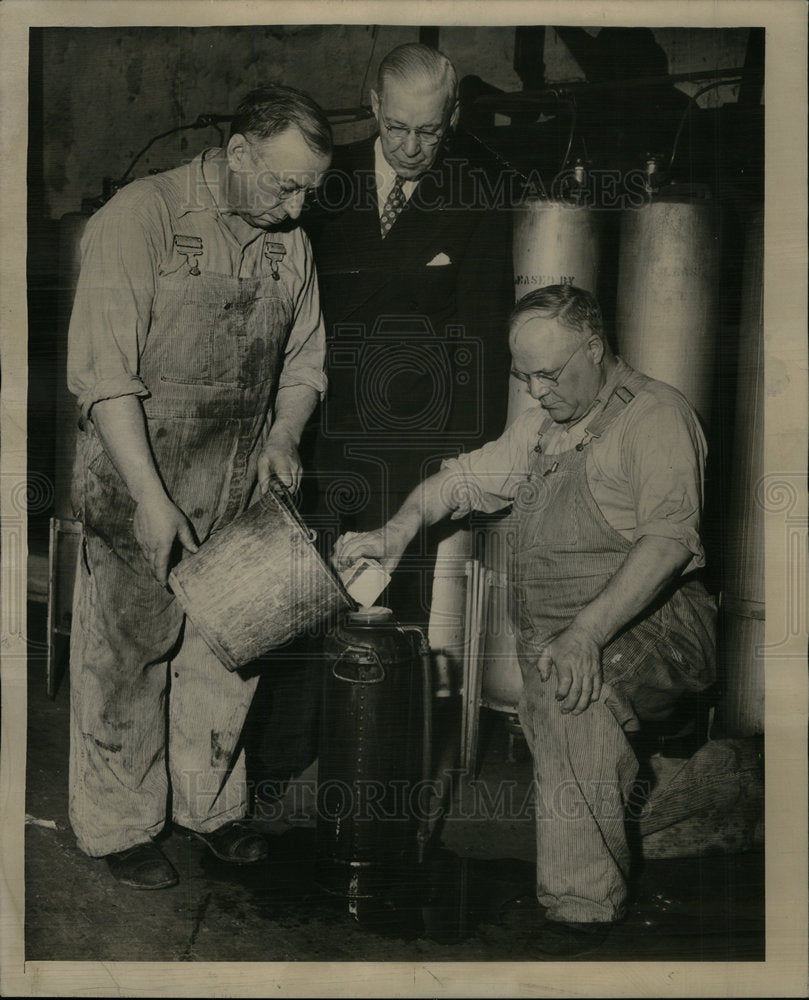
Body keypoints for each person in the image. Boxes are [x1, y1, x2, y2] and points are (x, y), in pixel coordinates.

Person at [334, 284, 717, 956]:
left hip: (665, 628)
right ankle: (672, 803)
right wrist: (396, 531)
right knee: (560, 700)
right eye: (524, 376)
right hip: (573, 627)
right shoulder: (546, 427)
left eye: (550, 374)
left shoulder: (654, 417)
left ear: (594, 350)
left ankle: (583, 912)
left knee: (574, 691)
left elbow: (668, 541)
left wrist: (586, 634)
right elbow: (458, 481)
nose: (537, 392)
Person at [66, 85, 332, 889]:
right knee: (130, 656)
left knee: (229, 653)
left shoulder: (291, 244)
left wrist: (283, 435)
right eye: (284, 185)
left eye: (309, 192)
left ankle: (209, 809)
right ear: (239, 152)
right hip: (137, 478)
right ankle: (119, 826)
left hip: (237, 484)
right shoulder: (139, 219)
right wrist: (150, 497)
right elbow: (104, 375)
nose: (295, 207)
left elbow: (305, 362)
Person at [243, 42, 514, 806]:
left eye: (429, 132)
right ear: (371, 106)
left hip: (411, 445)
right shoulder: (323, 183)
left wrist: (455, 463)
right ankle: (272, 760)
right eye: (397, 129)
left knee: (391, 606)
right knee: (297, 591)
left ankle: (371, 770)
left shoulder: (478, 193)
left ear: (451, 119)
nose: (411, 147)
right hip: (316, 424)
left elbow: (483, 340)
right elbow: (284, 308)